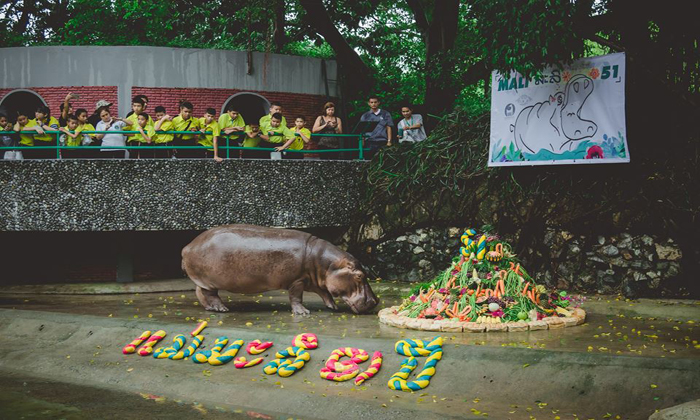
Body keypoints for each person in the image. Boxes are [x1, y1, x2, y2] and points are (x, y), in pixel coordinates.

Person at [359, 95, 394, 159]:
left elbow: (389, 127)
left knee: (382, 160)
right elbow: (362, 130)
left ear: (378, 102)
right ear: (368, 103)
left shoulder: (385, 114)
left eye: (375, 102)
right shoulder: (365, 116)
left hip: (382, 140)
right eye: (371, 102)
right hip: (369, 141)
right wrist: (362, 143)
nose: (373, 104)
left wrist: (389, 141)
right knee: (369, 161)